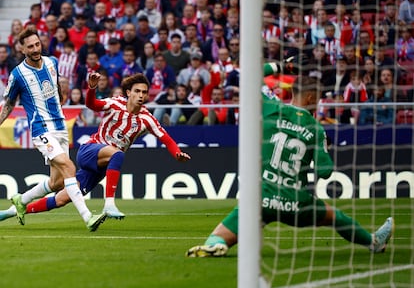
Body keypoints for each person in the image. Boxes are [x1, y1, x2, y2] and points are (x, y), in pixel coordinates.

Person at [186, 68, 394, 257]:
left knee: (219, 235)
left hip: (262, 199)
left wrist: (276, 67)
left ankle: (217, 243)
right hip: (297, 202)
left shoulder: (271, 107)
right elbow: (325, 171)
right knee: (334, 217)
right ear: (312, 97)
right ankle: (373, 242)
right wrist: (324, 149)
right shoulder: (316, 128)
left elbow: (247, 76)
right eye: (319, 99)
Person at [0, 73, 191, 221]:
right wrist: (91, 89)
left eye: (144, 92)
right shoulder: (116, 103)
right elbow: (92, 104)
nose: (141, 96)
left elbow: (166, 138)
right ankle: (109, 204)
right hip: (91, 150)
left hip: (102, 166)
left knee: (62, 198)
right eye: (137, 91)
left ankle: (14, 211)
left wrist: (177, 153)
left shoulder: (147, 118)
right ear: (128, 93)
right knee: (118, 154)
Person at [0, 28, 106, 231]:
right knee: (69, 168)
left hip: (60, 126)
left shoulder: (52, 63)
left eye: (37, 44)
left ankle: (21, 200)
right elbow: (9, 105)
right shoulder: (18, 75)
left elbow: (56, 87)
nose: (35, 49)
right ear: (22, 49)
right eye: (30, 46)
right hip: (42, 130)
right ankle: (88, 217)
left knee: (57, 182)